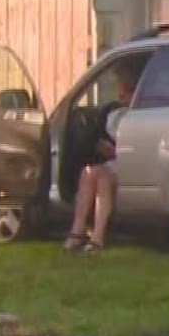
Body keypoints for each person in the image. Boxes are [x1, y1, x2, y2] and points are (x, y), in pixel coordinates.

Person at [63, 73, 137, 253]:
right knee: (87, 173)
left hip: (131, 162)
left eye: (125, 95)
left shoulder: (139, 116)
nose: (121, 99)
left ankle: (97, 236)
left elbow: (136, 145)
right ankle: (77, 230)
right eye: (119, 95)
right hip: (113, 161)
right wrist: (103, 147)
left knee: (103, 178)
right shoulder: (114, 113)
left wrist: (116, 150)